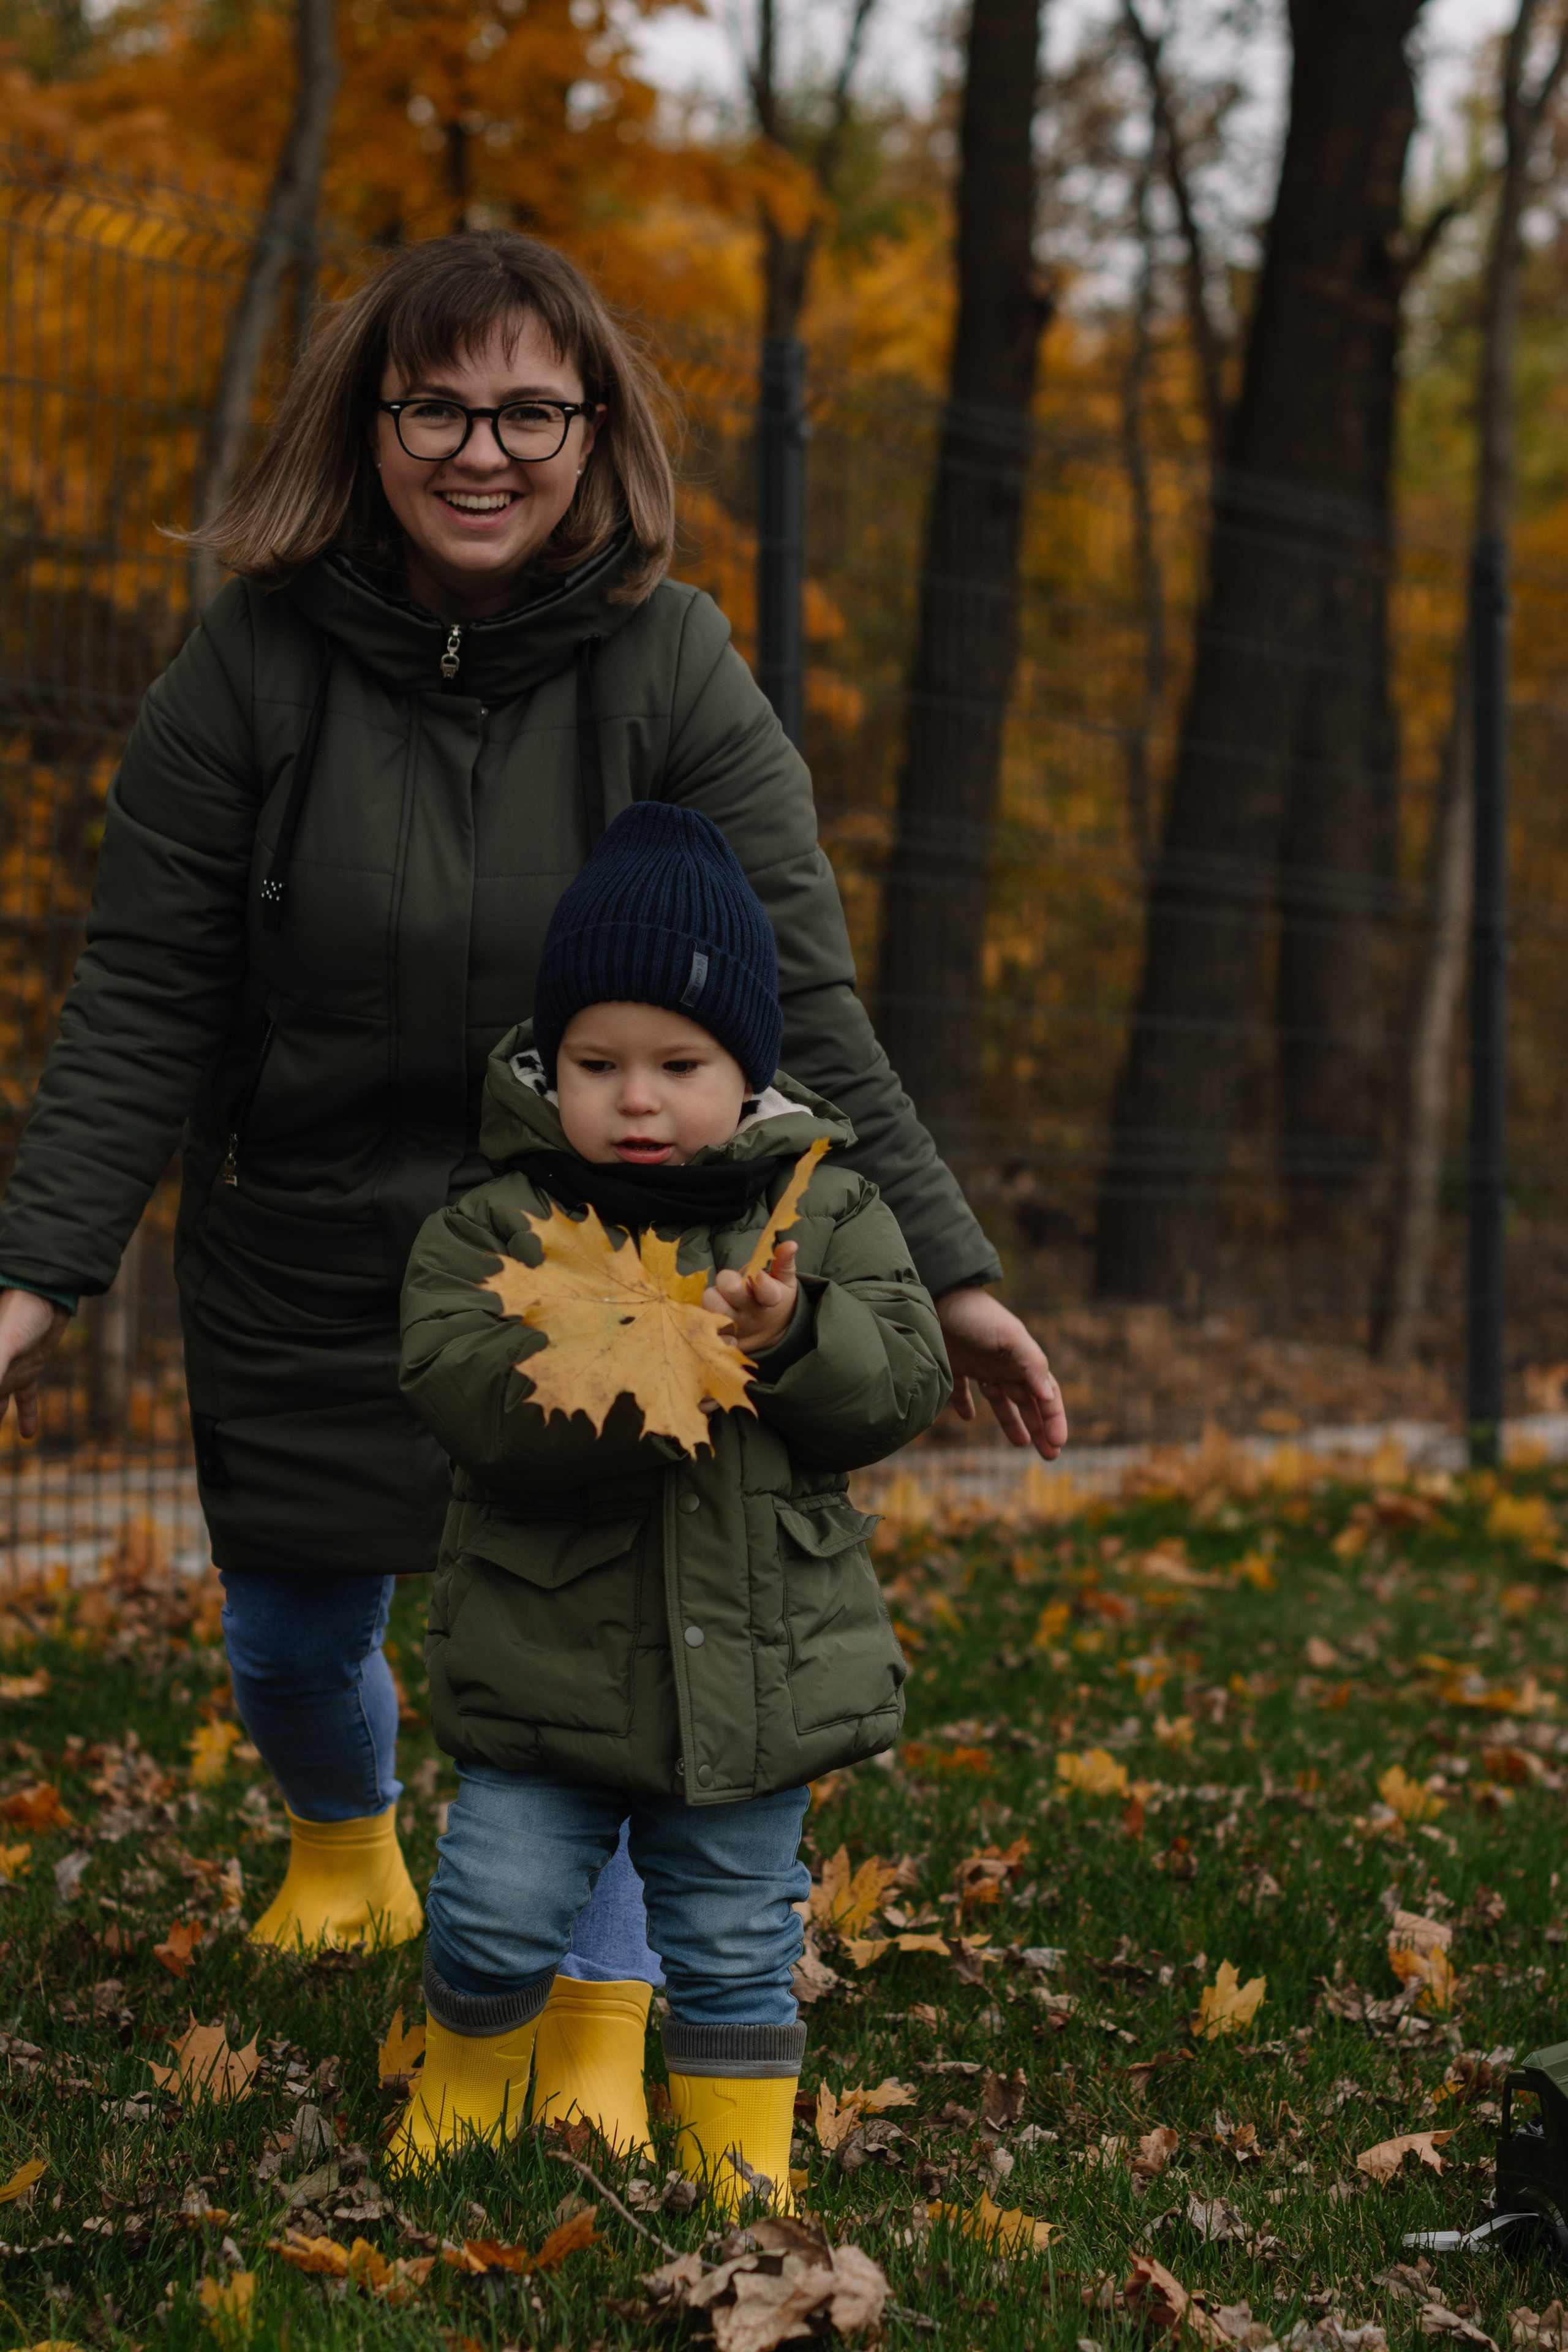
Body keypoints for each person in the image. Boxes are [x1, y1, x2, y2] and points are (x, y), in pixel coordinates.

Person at [0, 230, 1066, 2143]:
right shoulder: (248, 663)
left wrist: (961, 1274)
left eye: (527, 411)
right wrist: (31, 1272)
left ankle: (594, 2017)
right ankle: (347, 1846)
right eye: (437, 407)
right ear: (371, 420)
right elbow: (146, 987)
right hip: (318, 1235)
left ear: (594, 433)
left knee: (600, 1653)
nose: (479, 452)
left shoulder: (676, 664)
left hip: (614, 1248)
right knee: (293, 1638)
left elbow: (802, 995)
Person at [392, 799, 948, 2195]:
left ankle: (737, 2164)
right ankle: (462, 2095)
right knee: (496, 1904)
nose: (636, 1100)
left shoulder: (824, 1214)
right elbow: (461, 1390)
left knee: (733, 1936)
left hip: (754, 1680)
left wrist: (793, 1336)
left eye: (679, 1064)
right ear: (550, 1065)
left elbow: (902, 1382)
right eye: (597, 1063)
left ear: (745, 1068)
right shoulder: (494, 1223)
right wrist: (641, 1364)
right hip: (546, 1670)